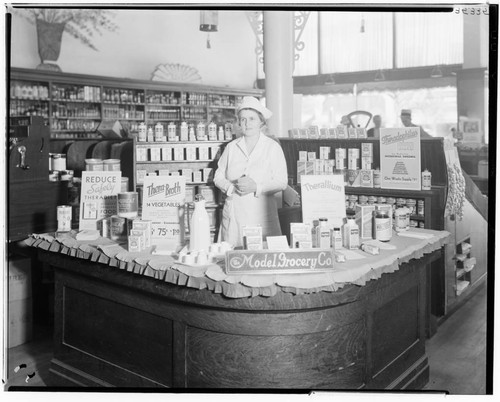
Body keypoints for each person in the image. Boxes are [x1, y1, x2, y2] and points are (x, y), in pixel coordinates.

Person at [214, 96, 288, 247]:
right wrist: (230, 187)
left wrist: (257, 187)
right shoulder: (231, 147)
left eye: (252, 119)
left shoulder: (272, 147)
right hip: (235, 213)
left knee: (262, 259)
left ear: (261, 121)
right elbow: (218, 176)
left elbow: (282, 182)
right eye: (243, 119)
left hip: (261, 214)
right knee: (231, 259)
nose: (247, 124)